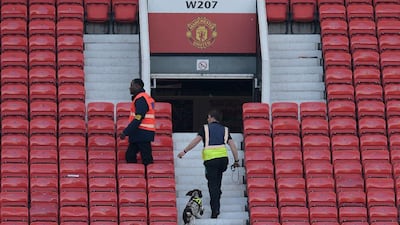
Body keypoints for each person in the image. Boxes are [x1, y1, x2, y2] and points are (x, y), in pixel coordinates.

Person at [177, 109, 240, 219]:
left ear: (211, 117)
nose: (207, 119)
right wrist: (236, 161)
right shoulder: (225, 130)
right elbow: (233, 146)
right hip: (223, 161)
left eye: (208, 117)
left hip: (211, 160)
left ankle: (215, 210)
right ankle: (217, 198)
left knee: (212, 185)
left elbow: (195, 141)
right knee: (217, 182)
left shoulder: (205, 128)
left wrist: (184, 151)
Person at [119, 78, 155, 165]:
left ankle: (149, 177)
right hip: (140, 133)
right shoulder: (143, 98)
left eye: (131, 85)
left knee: (146, 158)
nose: (130, 88)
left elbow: (138, 118)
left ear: (137, 86)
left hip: (142, 133)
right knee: (130, 155)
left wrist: (126, 132)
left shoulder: (141, 99)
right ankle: (136, 177)